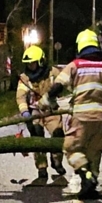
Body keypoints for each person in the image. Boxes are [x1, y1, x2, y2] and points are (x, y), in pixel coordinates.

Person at [39, 29, 102, 199]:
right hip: (101, 119)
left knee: (71, 149)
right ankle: (90, 186)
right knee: (94, 152)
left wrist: (46, 100)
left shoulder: (75, 65)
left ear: (81, 46)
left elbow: (58, 86)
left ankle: (86, 175)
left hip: (82, 118)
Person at [16, 45, 66, 182]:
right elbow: (20, 96)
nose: (30, 66)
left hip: (51, 110)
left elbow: (64, 83)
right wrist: (25, 112)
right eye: (28, 64)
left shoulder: (52, 73)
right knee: (38, 138)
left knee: (58, 134)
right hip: (34, 112)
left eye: (32, 63)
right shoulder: (24, 78)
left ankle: (57, 161)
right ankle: (42, 167)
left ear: (40, 62)